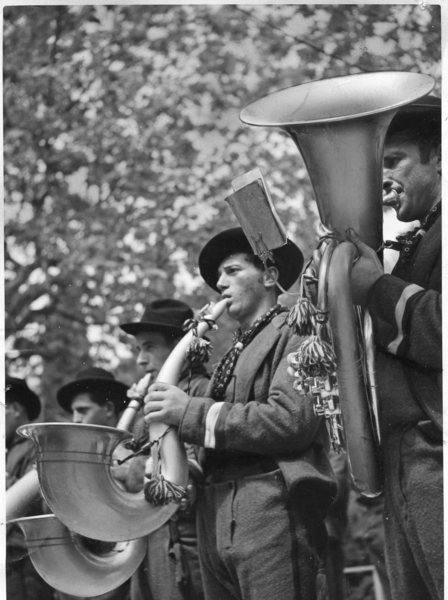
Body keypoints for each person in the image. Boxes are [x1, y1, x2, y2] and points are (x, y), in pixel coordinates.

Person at [143, 228, 337, 600]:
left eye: (232, 271)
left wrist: (190, 413)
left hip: (269, 511)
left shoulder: (302, 331)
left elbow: (291, 421)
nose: (220, 284)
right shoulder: (233, 353)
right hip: (215, 516)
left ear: (268, 275)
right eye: (219, 277)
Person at [345, 95, 442, 600]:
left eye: (393, 161)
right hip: (404, 459)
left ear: (440, 157)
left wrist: (374, 288)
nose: (382, 178)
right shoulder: (417, 239)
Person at [120, 298, 209, 600]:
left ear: (179, 348)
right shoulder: (149, 398)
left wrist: (130, 469)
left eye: (149, 347)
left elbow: (192, 472)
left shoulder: (198, 391)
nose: (141, 361)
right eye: (138, 350)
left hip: (182, 542)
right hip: (149, 540)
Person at [55, 366, 131, 600]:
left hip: (118, 576)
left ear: (108, 409)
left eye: (82, 410)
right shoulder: (70, 457)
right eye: (73, 412)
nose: (75, 419)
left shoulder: (132, 454)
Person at [5, 375, 54, 600]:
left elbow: (40, 506)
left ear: (14, 409)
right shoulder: (9, 450)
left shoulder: (35, 447)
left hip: (24, 568)